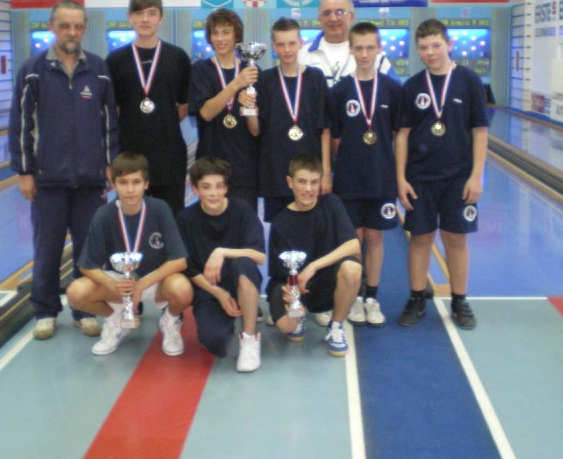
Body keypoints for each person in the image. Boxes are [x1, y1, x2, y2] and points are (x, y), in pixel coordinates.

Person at [8, 0, 119, 341]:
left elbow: (110, 123)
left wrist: (110, 164)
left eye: (78, 26)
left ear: (84, 29)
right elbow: (21, 124)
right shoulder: (33, 70)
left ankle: (84, 310)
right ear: (52, 27)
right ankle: (45, 311)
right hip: (48, 179)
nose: (72, 32)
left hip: (90, 180)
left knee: (90, 252)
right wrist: (24, 171)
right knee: (47, 250)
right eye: (65, 25)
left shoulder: (98, 69)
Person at [395, 18, 489, 330]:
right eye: (424, 47)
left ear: (449, 44)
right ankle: (417, 298)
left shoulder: (469, 81)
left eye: (436, 45)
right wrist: (401, 178)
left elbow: (480, 131)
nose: (430, 52)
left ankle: (459, 301)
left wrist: (476, 176)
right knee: (420, 238)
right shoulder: (412, 86)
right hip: (420, 177)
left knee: (455, 238)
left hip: (458, 178)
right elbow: (403, 135)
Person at [67, 152, 193, 356]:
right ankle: (115, 321)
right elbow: (86, 265)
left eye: (136, 182)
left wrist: (141, 285)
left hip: (154, 281)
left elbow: (179, 261)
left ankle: (170, 322)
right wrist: (113, 285)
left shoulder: (160, 209)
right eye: (123, 182)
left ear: (146, 184)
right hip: (121, 282)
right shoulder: (104, 214)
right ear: (114, 184)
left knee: (182, 289)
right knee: (75, 293)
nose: (130, 189)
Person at [330, 22, 403, 327]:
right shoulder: (339, 91)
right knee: (354, 238)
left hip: (382, 178)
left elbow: (398, 135)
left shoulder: (392, 90)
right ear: (350, 49)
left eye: (370, 48)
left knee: (375, 237)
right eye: (358, 48)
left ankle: (372, 297)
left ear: (379, 48)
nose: (364, 54)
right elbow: (335, 139)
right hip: (348, 179)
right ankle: (356, 296)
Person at [106, 0, 191, 217]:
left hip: (169, 157)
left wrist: (162, 121)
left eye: (152, 13)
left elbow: (184, 105)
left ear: (160, 18)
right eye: (139, 13)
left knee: (171, 221)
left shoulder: (177, 57)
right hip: (129, 157)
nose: (145, 19)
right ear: (129, 17)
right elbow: (113, 109)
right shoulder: (115, 60)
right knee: (132, 222)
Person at [267, 155, 362, 357]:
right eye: (302, 182)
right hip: (295, 285)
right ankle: (299, 316)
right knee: (286, 327)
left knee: (352, 268)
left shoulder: (331, 203)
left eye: (314, 182)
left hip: (325, 281)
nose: (308, 189)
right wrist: (294, 301)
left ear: (320, 183)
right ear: (290, 182)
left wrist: (313, 266)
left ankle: (336, 326)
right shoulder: (281, 223)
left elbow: (354, 245)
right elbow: (281, 276)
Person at [177, 157, 265, 372]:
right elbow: (189, 268)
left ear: (226, 188)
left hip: (239, 279)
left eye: (219, 186)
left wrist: (221, 252)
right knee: (214, 341)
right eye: (206, 187)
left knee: (243, 263)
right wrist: (219, 293)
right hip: (209, 289)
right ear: (195, 189)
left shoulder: (241, 209)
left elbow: (259, 256)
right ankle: (233, 311)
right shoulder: (186, 219)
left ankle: (249, 338)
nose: (214, 193)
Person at [246, 17, 331, 224]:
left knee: (312, 230)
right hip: (276, 171)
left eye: (292, 43)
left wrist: (326, 173)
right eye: (281, 44)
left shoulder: (316, 78)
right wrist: (249, 110)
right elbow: (255, 131)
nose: (287, 49)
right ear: (273, 46)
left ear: (301, 43)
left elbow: (325, 130)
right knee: (280, 231)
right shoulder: (264, 80)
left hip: (310, 174)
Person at [188, 9, 260, 210]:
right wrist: (235, 85)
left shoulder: (251, 71)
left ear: (236, 35)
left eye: (226, 32)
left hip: (244, 165)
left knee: (244, 222)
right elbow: (206, 113)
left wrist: (250, 108)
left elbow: (255, 130)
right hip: (210, 164)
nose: (220, 38)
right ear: (209, 37)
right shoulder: (201, 70)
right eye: (215, 33)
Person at [298, 0, 391, 88]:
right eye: (327, 13)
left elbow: (393, 91)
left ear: (351, 17)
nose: (333, 18)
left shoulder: (375, 57)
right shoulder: (302, 55)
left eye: (340, 12)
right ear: (319, 18)